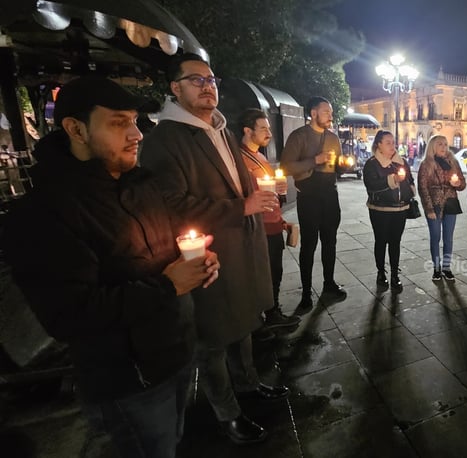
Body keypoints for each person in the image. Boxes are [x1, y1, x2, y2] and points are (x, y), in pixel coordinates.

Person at [2, 76, 221, 458]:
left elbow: (172, 248)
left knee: (174, 440)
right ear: (76, 129)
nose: (136, 134)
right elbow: (70, 314)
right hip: (129, 380)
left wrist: (197, 261)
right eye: (119, 123)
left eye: (135, 121)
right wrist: (169, 286)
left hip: (178, 352)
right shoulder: (44, 213)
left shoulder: (142, 184)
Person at [140, 54, 288, 445]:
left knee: (243, 325)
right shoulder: (166, 139)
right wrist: (242, 206)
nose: (208, 87)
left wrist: (260, 193)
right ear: (175, 88)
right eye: (196, 80)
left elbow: (239, 184)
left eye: (211, 80)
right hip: (208, 255)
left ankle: (250, 386)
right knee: (213, 340)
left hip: (243, 246)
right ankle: (228, 413)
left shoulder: (219, 130)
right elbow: (170, 204)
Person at [279, 96, 347, 312]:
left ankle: (329, 284)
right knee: (309, 244)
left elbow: (338, 167)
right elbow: (287, 167)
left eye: (331, 112)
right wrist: (314, 161)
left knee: (330, 241)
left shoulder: (333, 138)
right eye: (326, 111)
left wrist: (343, 166)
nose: (331, 115)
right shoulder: (299, 136)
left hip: (330, 194)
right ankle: (306, 292)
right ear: (314, 113)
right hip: (308, 196)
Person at [237, 109, 301, 329]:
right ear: (247, 131)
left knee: (275, 272)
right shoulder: (239, 160)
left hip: (273, 225)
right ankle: (260, 320)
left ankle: (272, 313)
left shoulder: (261, 157)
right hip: (258, 228)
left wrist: (280, 192)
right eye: (263, 128)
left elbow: (272, 196)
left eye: (269, 128)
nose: (269, 133)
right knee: (262, 275)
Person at [363, 130, 415, 290]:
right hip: (380, 209)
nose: (392, 145)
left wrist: (410, 190)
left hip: (400, 209)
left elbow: (410, 180)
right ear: (378, 144)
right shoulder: (372, 164)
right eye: (388, 142)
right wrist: (392, 179)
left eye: (393, 142)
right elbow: (371, 185)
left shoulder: (402, 162)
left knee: (395, 242)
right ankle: (381, 272)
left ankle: (394, 274)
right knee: (381, 241)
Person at [417, 135, 467, 280]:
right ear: (433, 146)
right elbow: (423, 188)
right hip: (434, 204)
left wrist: (458, 184)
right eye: (440, 144)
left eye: (445, 144)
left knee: (448, 238)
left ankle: (446, 267)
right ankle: (436, 268)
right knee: (435, 237)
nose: (444, 147)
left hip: (450, 203)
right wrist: (429, 209)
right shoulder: (426, 164)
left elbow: (462, 183)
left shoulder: (453, 161)